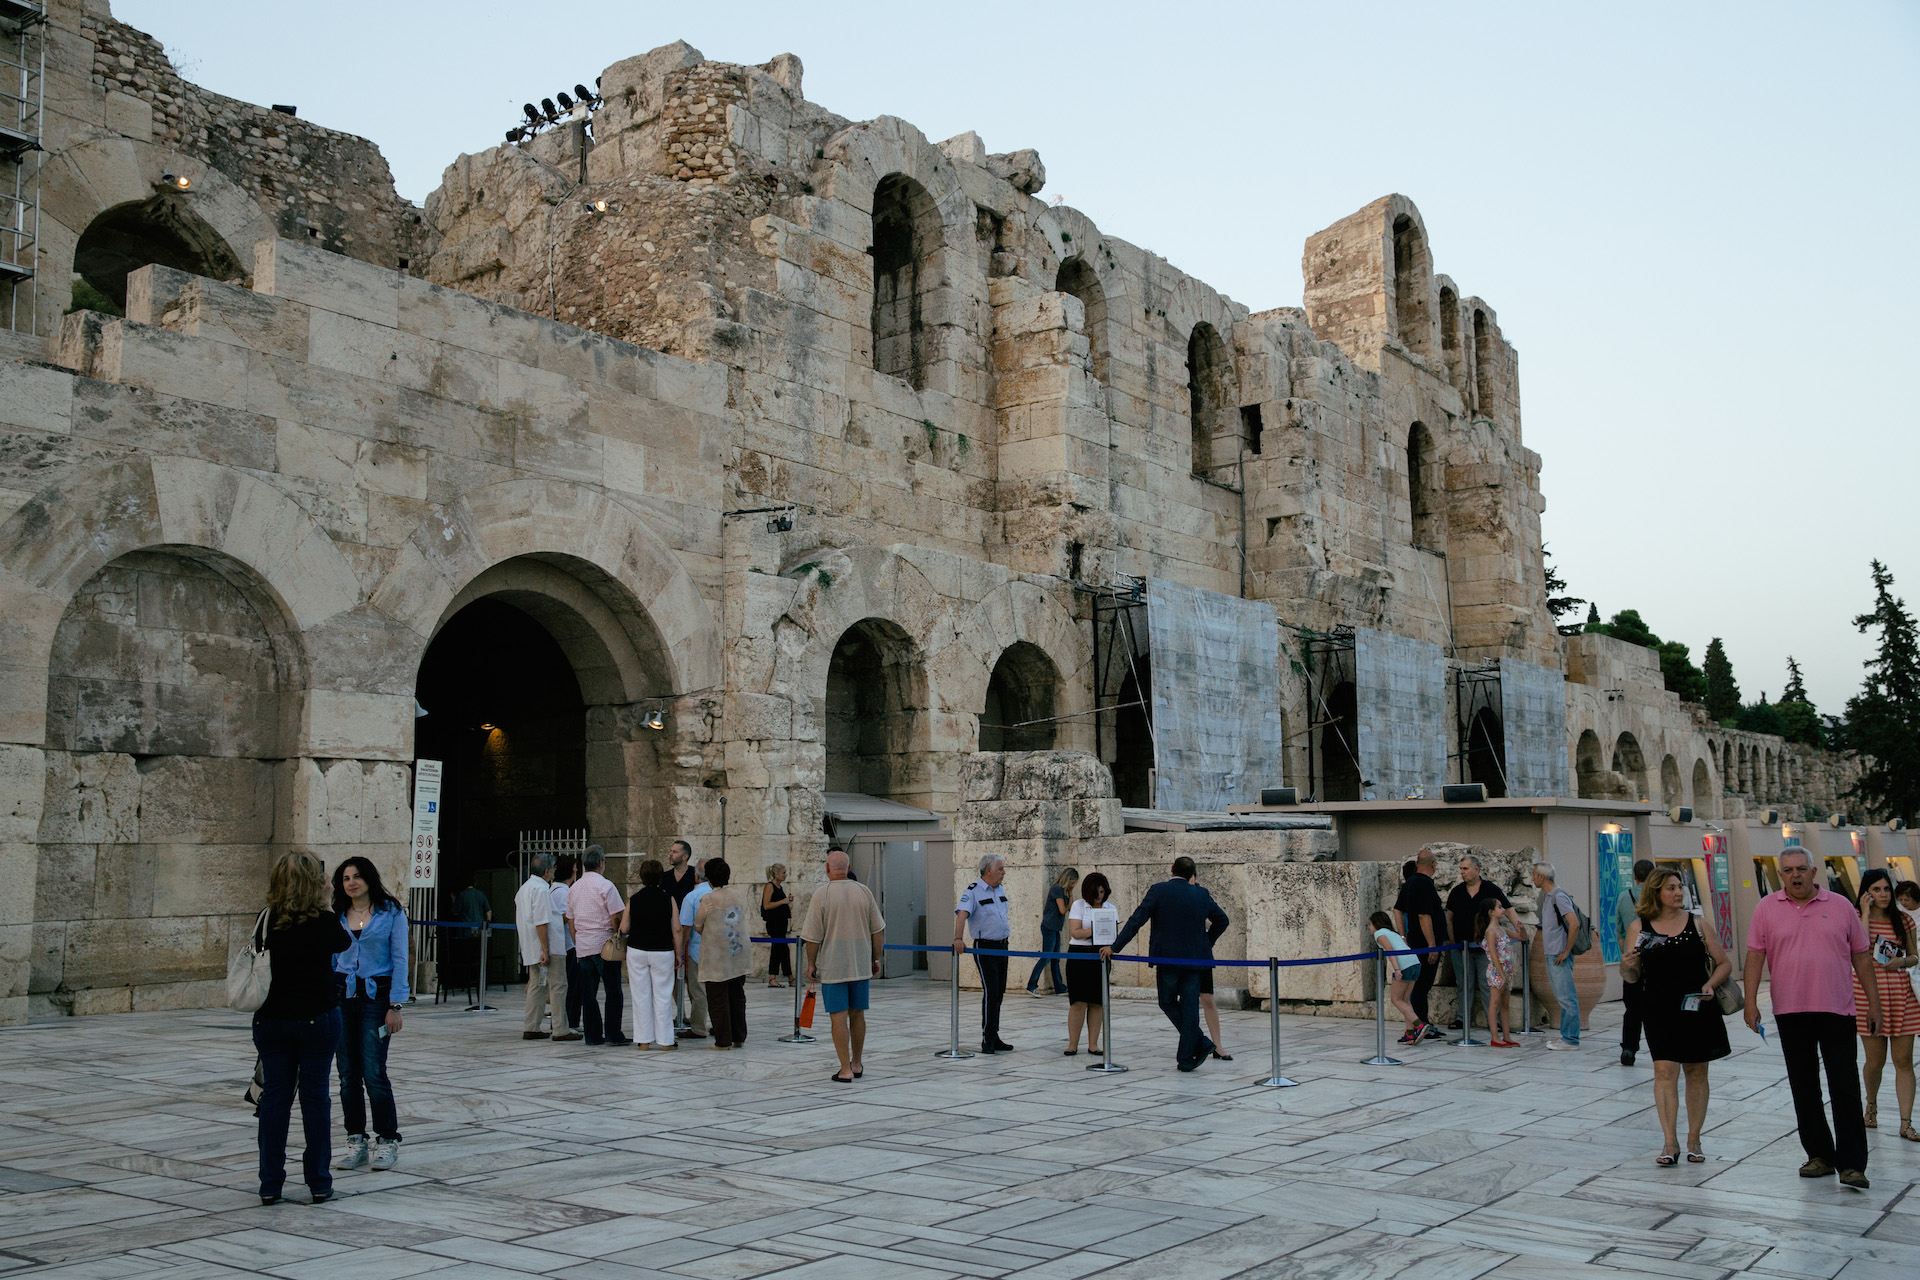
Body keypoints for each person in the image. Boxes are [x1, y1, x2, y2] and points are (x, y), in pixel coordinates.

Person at [1743, 846, 1880, 1190]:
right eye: (1788, 870)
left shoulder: (1841, 907)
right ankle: (1819, 1155)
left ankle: (1852, 1165)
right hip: (1790, 1011)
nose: (1795, 875)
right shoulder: (1766, 909)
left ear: (1814, 871)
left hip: (1837, 1009)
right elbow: (1755, 956)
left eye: (1801, 869)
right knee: (1804, 1087)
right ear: (1780, 874)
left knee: (1845, 1086)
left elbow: (1862, 956)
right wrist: (1749, 1001)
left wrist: (1873, 1004)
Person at [253, 850, 351, 1205]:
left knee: (275, 1100)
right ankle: (319, 1181)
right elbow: (343, 943)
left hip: (272, 1020)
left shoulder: (268, 917)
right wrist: (326, 903)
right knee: (314, 1100)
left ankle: (270, 1184)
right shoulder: (322, 920)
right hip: (317, 1019)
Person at [1622, 866, 1731, 1165]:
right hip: (1658, 1009)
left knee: (1696, 1073)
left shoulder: (1698, 923)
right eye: (1671, 887)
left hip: (1696, 1008)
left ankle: (1694, 1137)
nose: (1679, 892)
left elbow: (1724, 963)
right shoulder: (1638, 927)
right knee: (1664, 1072)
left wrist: (1710, 984)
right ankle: (1670, 1142)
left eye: (1679, 886)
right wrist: (1627, 963)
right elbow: (1631, 977)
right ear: (1655, 891)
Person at [1102, 856, 1230, 1071]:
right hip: (1195, 960)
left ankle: (1199, 1045)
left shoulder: (1158, 890)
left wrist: (1115, 947)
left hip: (1167, 959)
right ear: (1192, 874)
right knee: (1190, 1008)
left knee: (1167, 1001)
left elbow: (1137, 920)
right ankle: (1187, 1057)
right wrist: (1206, 943)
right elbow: (1222, 920)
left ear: (1171, 870)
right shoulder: (1201, 894)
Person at [331, 857, 409, 1174]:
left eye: (357, 876)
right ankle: (356, 1139)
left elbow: (401, 958)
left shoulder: (391, 912)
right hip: (341, 999)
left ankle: (387, 1138)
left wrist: (396, 1005)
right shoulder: (336, 916)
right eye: (346, 878)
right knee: (348, 1074)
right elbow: (331, 959)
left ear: (369, 879)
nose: (352, 882)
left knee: (374, 1071)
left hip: (377, 1000)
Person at [800, 848, 886, 1084]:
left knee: (838, 1017)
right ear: (849, 869)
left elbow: (813, 937)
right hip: (859, 963)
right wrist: (875, 959)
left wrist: (810, 964)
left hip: (833, 965)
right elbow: (877, 930)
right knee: (858, 1014)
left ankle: (845, 1068)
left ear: (827, 869)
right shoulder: (864, 891)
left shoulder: (822, 894)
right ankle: (857, 1063)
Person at [1854, 869, 1920, 1141]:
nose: (1883, 895)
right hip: (1868, 995)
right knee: (1875, 1061)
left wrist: (1901, 962)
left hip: (1901, 993)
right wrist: (1866, 914)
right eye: (1876, 889)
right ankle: (1871, 1105)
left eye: (1886, 890)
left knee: (1904, 1061)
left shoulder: (1903, 920)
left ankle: (1906, 1122)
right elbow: (1858, 947)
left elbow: (1915, 956)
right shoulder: (1858, 920)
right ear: (1866, 893)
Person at [565, 845, 629, 1046]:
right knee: (613, 991)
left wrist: (577, 941)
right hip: (604, 945)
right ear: (601, 863)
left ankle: (592, 1035)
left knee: (588, 994)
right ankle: (613, 1033)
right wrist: (618, 935)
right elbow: (615, 916)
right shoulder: (606, 886)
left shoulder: (574, 888)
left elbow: (571, 921)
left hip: (583, 946)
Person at [954, 854, 1014, 1053]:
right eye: (1001, 869)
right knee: (991, 991)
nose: (1004, 872)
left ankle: (994, 1035)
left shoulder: (1000, 890)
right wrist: (958, 938)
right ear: (989, 871)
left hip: (1002, 946)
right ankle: (987, 1038)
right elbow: (962, 915)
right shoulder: (973, 891)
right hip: (985, 947)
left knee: (999, 993)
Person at [1445, 855, 1509, 1040]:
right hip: (1461, 946)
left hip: (1484, 948)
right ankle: (1462, 1018)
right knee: (1464, 984)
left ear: (1477, 869)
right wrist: (1452, 941)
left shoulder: (1490, 889)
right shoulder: (1457, 892)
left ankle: (1493, 1020)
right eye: (1461, 869)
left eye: (1465, 869)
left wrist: (1517, 924)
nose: (1462, 872)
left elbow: (1507, 908)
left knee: (1488, 984)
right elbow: (1449, 918)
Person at [694, 858, 752, 1049]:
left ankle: (723, 1040)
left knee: (717, 999)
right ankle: (738, 1036)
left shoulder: (708, 899)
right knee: (737, 995)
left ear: (708, 878)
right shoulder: (739, 895)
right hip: (737, 952)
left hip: (716, 956)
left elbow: (698, 924)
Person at [621, 859, 679, 1051]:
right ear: (660, 876)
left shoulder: (634, 899)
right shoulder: (668, 898)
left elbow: (624, 927)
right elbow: (676, 930)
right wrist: (678, 953)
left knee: (640, 995)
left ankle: (643, 1039)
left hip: (637, 950)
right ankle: (665, 1041)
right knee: (662, 996)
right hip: (662, 951)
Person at [1391, 850, 1447, 1040]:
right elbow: (1424, 915)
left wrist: (1403, 936)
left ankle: (1422, 1024)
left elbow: (1397, 910)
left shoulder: (1410, 882)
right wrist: (1431, 945)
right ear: (1433, 864)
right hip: (1424, 946)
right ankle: (1421, 1024)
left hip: (1414, 942)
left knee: (1420, 987)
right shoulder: (1424, 883)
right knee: (1421, 987)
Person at [1532, 862, 1583, 1050]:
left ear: (1541, 877)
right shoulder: (1549, 897)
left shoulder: (1558, 897)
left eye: (1534, 874)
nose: (1532, 878)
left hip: (1558, 954)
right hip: (1553, 953)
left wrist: (1566, 951)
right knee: (1563, 997)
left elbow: (1574, 923)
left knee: (1567, 997)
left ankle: (1570, 1039)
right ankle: (1567, 1037)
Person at [514, 853, 562, 1041]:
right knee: (558, 987)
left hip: (531, 947)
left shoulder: (524, 889)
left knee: (537, 986)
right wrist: (545, 949)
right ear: (546, 871)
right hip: (546, 948)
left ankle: (531, 1026)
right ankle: (560, 1028)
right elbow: (541, 921)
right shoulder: (541, 890)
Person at [1065, 872, 1111, 1056]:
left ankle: (1093, 1044)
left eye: (1102, 892)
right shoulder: (1078, 906)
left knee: (1097, 1002)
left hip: (1100, 955)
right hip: (1079, 954)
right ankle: (1072, 1044)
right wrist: (1097, 930)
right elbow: (1075, 932)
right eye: (1095, 892)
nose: (1099, 896)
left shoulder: (1109, 908)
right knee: (1078, 1001)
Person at [666, 840, 708, 1039]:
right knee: (674, 977)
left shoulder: (695, 876)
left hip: (689, 933)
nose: (670, 854)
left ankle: (696, 1017)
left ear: (685, 856)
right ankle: (680, 1012)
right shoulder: (665, 877)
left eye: (674, 852)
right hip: (671, 931)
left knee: (694, 981)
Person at [1617, 858, 1654, 1065]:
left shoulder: (1624, 897)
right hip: (1656, 959)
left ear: (1634, 875)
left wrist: (1627, 954)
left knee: (1632, 1008)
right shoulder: (1658, 897)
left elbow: (1620, 932)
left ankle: (1629, 1048)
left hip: (1632, 958)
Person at [677, 845, 715, 1041]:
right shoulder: (720, 894)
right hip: (717, 950)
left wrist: (680, 951)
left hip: (696, 949)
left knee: (697, 990)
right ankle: (719, 1023)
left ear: (697, 876)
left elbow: (686, 927)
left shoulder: (692, 897)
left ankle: (698, 1027)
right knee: (716, 989)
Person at [1370, 910, 1423, 1044]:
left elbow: (1390, 950)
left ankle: (1419, 1025)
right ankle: (1409, 1033)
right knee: (1405, 1000)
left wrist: (1397, 969)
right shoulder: (1393, 933)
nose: (1370, 927)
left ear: (1375, 923)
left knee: (1396, 999)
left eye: (1370, 924)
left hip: (1403, 965)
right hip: (1415, 963)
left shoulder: (1379, 933)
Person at [1481, 903, 1528, 1048]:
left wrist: (1522, 929)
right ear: (1491, 912)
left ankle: (1506, 1036)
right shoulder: (1490, 932)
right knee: (1494, 1003)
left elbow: (1523, 938)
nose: (1502, 910)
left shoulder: (1502, 929)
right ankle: (1495, 1037)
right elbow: (1494, 956)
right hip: (1497, 971)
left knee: (1505, 1004)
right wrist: (1501, 975)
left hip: (1507, 971)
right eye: (1499, 907)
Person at [1028, 868, 1078, 997]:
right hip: (1049, 927)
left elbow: (1071, 909)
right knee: (1046, 957)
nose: (1073, 885)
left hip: (1055, 927)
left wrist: (1071, 893)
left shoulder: (1064, 892)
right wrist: (1069, 896)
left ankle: (1059, 987)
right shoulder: (1056, 889)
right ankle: (1031, 985)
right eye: (1072, 882)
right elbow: (1063, 910)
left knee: (1055, 958)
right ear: (1067, 879)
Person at [550, 854, 582, 1041]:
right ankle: (569, 1022)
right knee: (571, 987)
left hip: (565, 945)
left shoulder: (556, 890)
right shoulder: (562, 893)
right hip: (568, 945)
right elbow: (564, 918)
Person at [450, 873, 492, 994]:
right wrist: (486, 926)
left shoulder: (462, 896)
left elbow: (455, 912)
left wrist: (453, 899)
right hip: (479, 933)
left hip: (465, 933)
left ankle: (464, 982)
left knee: (465, 959)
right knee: (478, 958)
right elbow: (488, 911)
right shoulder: (480, 894)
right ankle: (480, 982)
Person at [761, 862, 794, 988]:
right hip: (774, 922)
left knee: (782, 949)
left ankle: (787, 977)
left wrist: (787, 901)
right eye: (783, 873)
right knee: (778, 948)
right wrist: (783, 901)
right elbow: (766, 905)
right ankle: (775, 977)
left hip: (781, 921)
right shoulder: (769, 886)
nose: (785, 875)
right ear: (776, 874)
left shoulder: (779, 887)